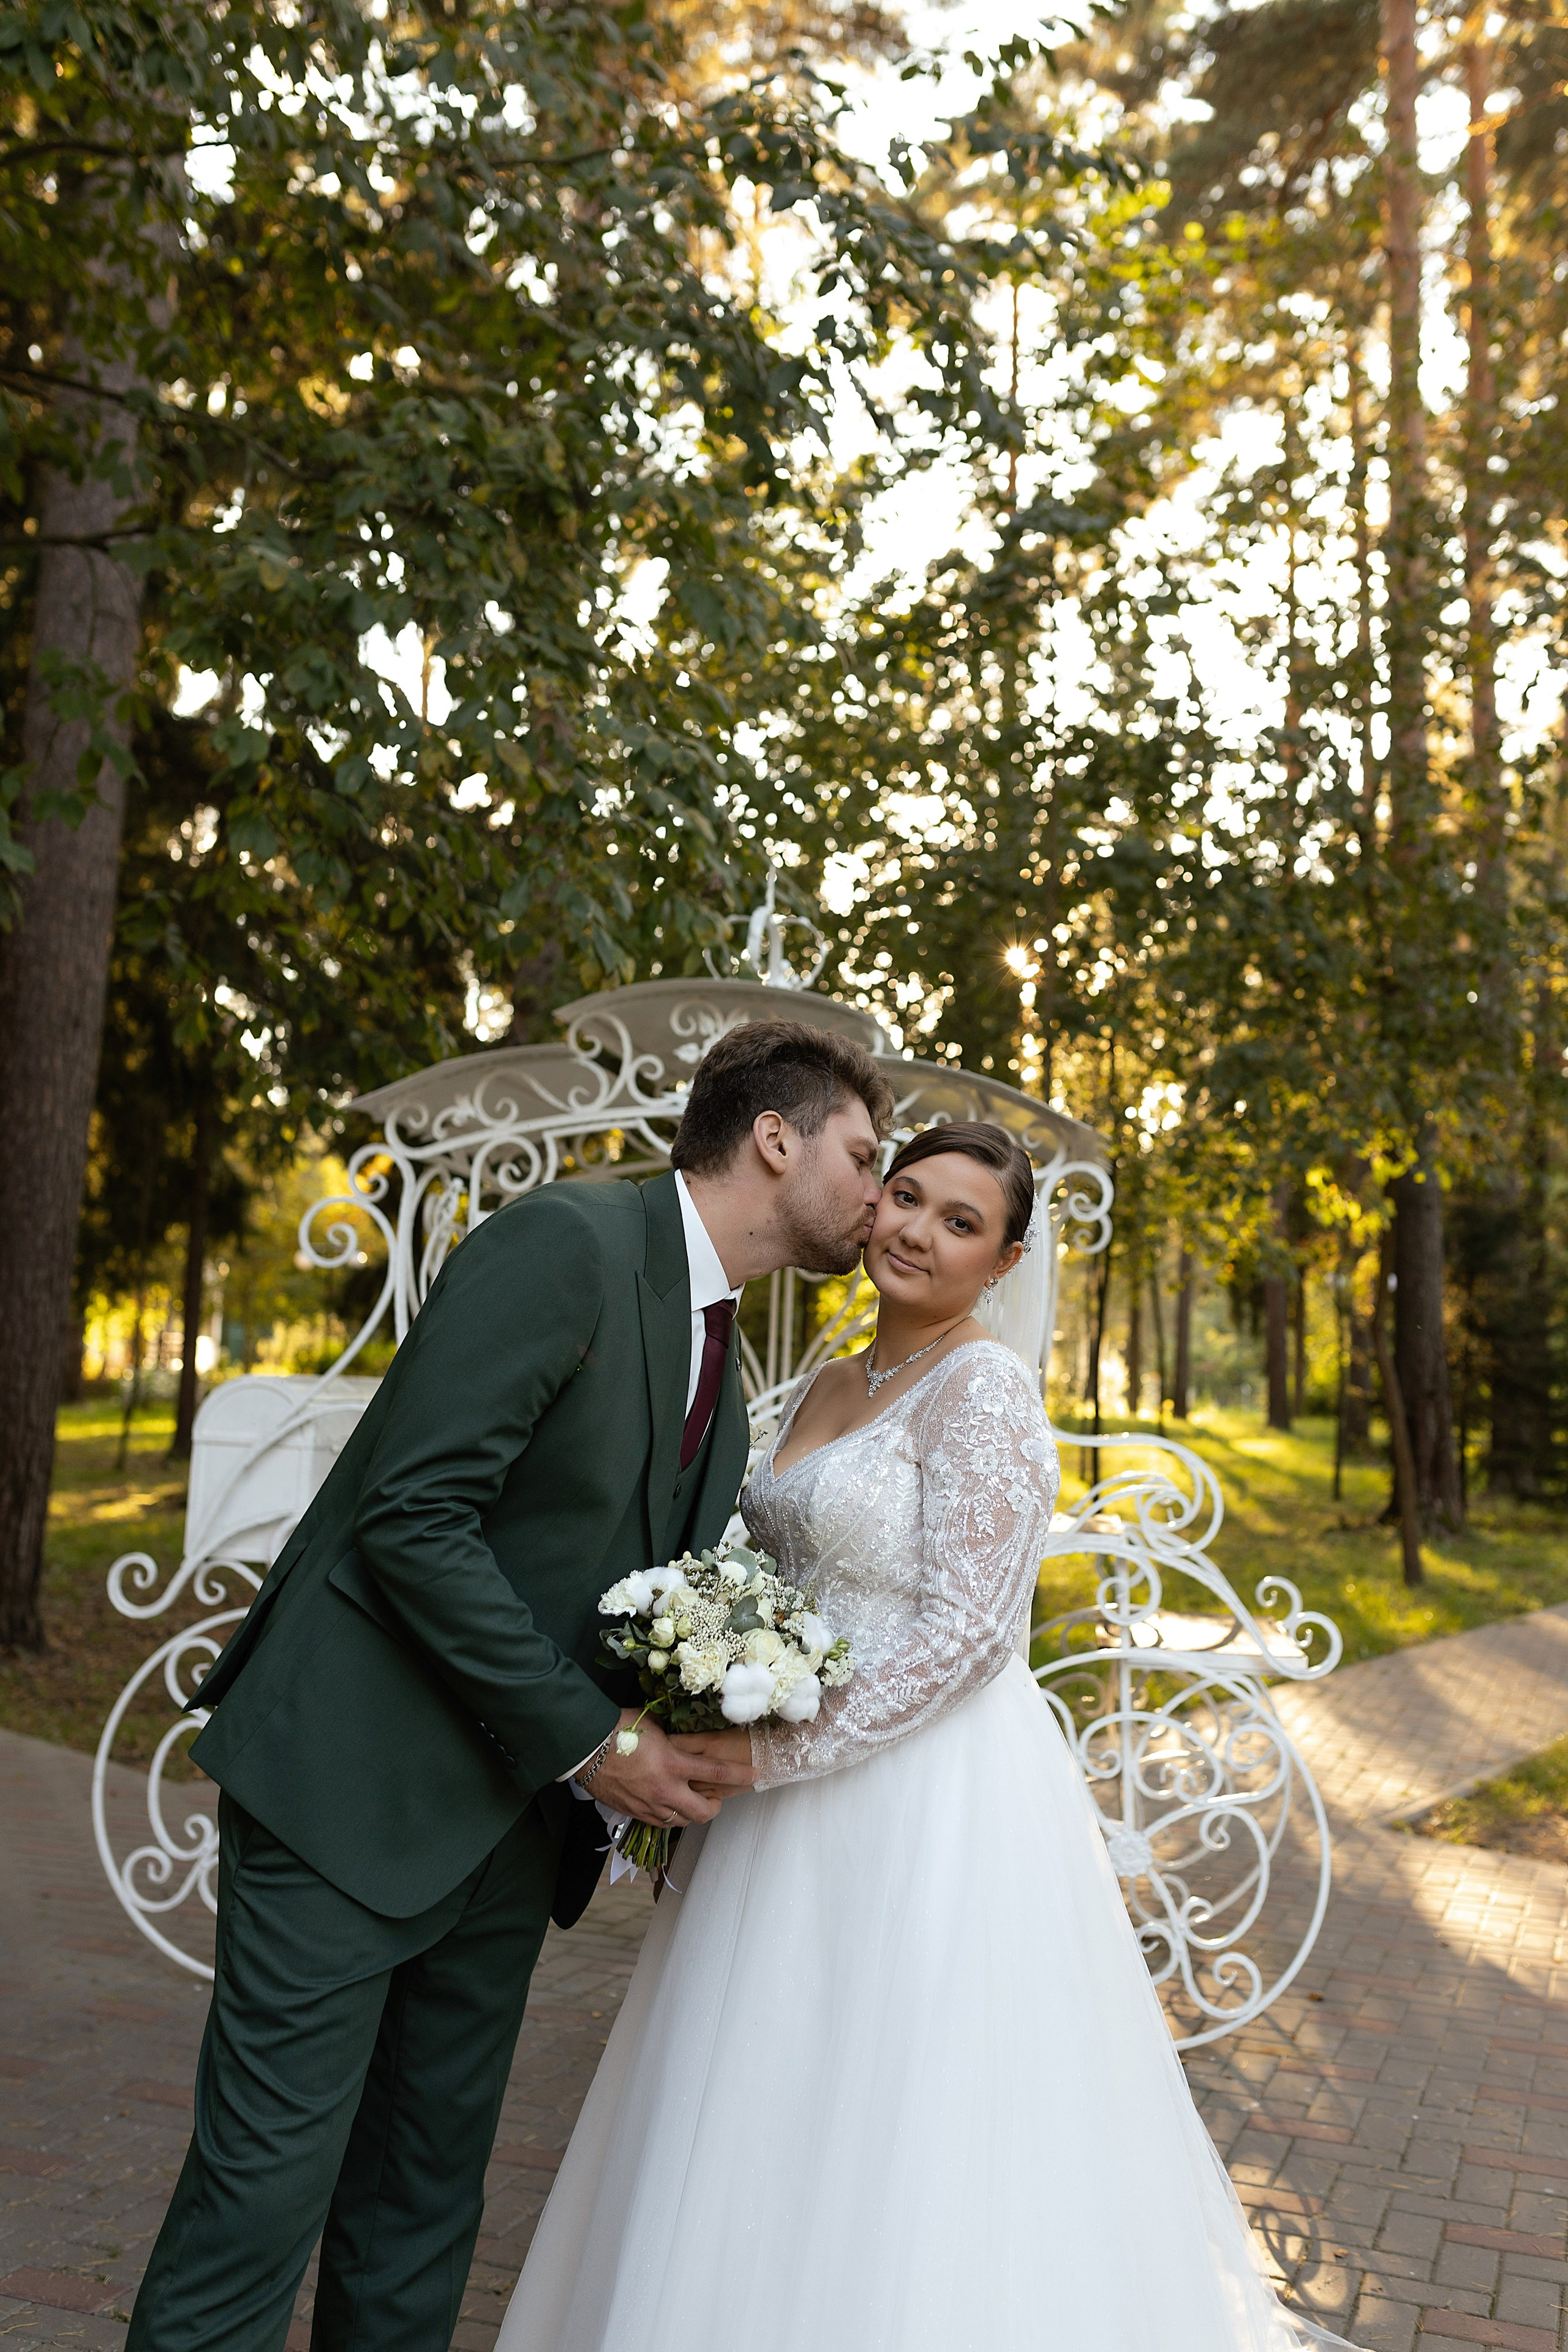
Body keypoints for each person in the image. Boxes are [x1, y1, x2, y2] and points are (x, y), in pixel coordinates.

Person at [498, 1120, 1362, 2352]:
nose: (915, 1231)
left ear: (1001, 1263)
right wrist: (713, 1678)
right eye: (904, 1196)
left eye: (960, 1223)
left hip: (919, 1791)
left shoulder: (984, 1390)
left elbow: (969, 1634)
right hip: (777, 1788)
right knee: (759, 2069)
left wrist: (773, 1753)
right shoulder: (833, 1377)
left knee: (900, 2087)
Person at [125, 1019, 894, 2352]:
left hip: (510, 1824)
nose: (879, 1194)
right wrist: (595, 1742)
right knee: (260, 2202)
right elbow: (411, 1517)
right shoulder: (569, 1245)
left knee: (419, 2210)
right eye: (866, 1157)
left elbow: (601, 1580)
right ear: (776, 1139)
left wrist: (671, 1731)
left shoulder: (721, 1352)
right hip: (349, 1792)